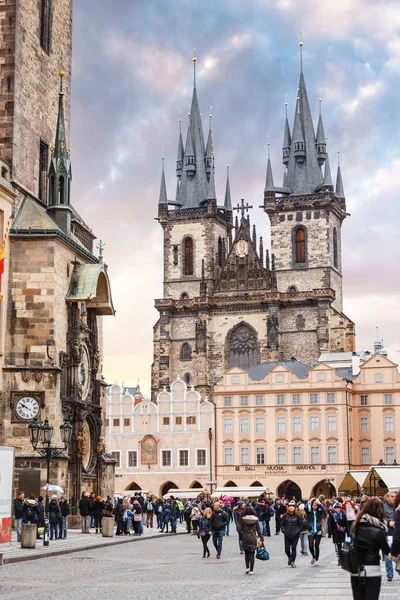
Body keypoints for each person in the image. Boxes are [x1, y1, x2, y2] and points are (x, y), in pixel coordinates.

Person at [351, 497, 389, 600]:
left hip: (356, 570)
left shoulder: (356, 526)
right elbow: (386, 551)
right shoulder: (378, 530)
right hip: (372, 571)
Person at [238, 506, 263, 575]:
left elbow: (239, 530)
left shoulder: (242, 519)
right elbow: (258, 530)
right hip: (253, 538)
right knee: (252, 553)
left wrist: (241, 538)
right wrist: (261, 538)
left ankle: (247, 568)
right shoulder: (255, 519)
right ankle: (251, 570)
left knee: (246, 553)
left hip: (245, 537)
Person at [281, 501, 303, 568]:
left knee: (294, 548)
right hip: (287, 534)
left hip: (295, 535)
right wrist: (284, 531)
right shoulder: (285, 516)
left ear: (295, 508)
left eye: (292, 507)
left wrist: (298, 531)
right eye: (290, 507)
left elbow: (301, 524)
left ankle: (293, 561)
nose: (291, 508)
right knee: (286, 549)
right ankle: (290, 557)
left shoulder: (298, 516)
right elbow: (282, 524)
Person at [306, 497, 326, 566]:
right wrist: (310, 501)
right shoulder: (309, 511)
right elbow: (306, 508)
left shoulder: (319, 512)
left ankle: (316, 559)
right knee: (310, 545)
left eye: (315, 505)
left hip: (318, 530)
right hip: (311, 530)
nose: (314, 506)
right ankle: (313, 556)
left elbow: (324, 510)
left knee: (316, 546)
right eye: (313, 505)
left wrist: (319, 503)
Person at [383, 491, 396, 582]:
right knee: (388, 556)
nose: (394, 498)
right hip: (388, 534)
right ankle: (390, 574)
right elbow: (379, 519)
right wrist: (388, 522)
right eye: (392, 496)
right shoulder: (382, 507)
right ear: (387, 498)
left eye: (395, 496)